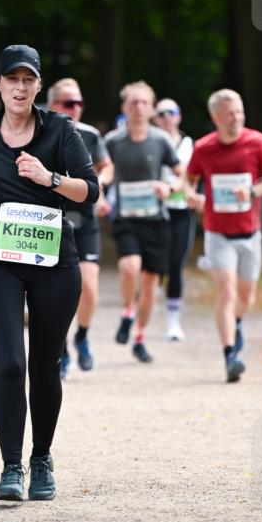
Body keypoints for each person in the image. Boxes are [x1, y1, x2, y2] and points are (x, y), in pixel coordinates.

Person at [0, 45, 99, 502]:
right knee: (12, 362)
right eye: (11, 79)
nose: (20, 87)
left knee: (44, 365)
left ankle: (41, 458)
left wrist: (49, 178)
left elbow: (89, 191)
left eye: (28, 80)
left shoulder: (59, 130)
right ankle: (10, 467)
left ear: (38, 85)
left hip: (54, 261)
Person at [186, 88, 262, 383]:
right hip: (217, 232)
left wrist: (253, 190)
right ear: (216, 117)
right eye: (230, 113)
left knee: (246, 297)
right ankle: (230, 356)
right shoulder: (204, 148)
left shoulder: (257, 142)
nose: (236, 118)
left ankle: (236, 322)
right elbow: (188, 179)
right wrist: (192, 196)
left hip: (250, 233)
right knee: (226, 292)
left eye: (240, 112)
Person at [104, 81, 184, 363]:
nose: (138, 108)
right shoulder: (113, 141)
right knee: (129, 267)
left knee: (150, 284)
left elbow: (181, 174)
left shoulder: (161, 140)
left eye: (143, 103)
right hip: (126, 218)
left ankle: (139, 336)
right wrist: (99, 196)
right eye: (133, 103)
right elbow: (99, 171)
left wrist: (170, 187)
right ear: (124, 107)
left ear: (151, 108)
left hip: (156, 220)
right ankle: (128, 311)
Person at [46, 77, 114, 377]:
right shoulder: (39, 133)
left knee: (88, 287)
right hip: (48, 220)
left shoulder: (90, 135)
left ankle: (82, 336)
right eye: (67, 103)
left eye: (78, 103)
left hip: (84, 220)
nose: (74, 108)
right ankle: (59, 349)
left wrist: (100, 189)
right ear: (52, 105)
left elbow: (106, 166)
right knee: (52, 293)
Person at [153, 98, 196, 341]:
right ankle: (149, 304)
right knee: (155, 265)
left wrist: (190, 193)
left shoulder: (190, 144)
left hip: (181, 211)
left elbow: (195, 175)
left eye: (172, 112)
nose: (167, 116)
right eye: (162, 113)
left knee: (175, 265)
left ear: (179, 116)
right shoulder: (152, 143)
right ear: (156, 118)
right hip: (155, 213)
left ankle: (173, 321)